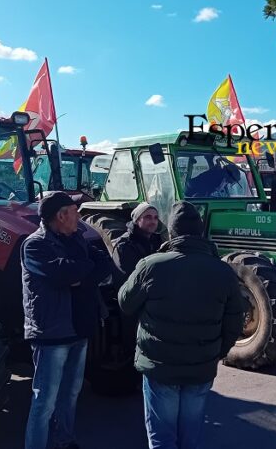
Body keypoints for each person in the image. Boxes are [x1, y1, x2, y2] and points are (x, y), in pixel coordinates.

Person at [118, 201, 244, 449]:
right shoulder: (223, 272)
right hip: (200, 366)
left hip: (160, 365)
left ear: (172, 233)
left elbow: (125, 302)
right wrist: (215, 352)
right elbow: (234, 321)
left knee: (162, 438)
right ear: (200, 231)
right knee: (191, 435)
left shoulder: (151, 266)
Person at [22, 192, 114, 449]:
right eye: (75, 211)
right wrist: (83, 272)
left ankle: (64, 440)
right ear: (61, 216)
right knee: (45, 401)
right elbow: (63, 275)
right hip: (52, 332)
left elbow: (103, 263)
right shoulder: (35, 245)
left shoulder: (78, 239)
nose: (79, 217)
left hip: (79, 327)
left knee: (71, 394)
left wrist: (80, 275)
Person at [111, 202, 163, 285]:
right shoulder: (124, 245)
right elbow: (127, 280)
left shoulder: (157, 240)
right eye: (148, 217)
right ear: (137, 220)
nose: (153, 221)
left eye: (156, 218)